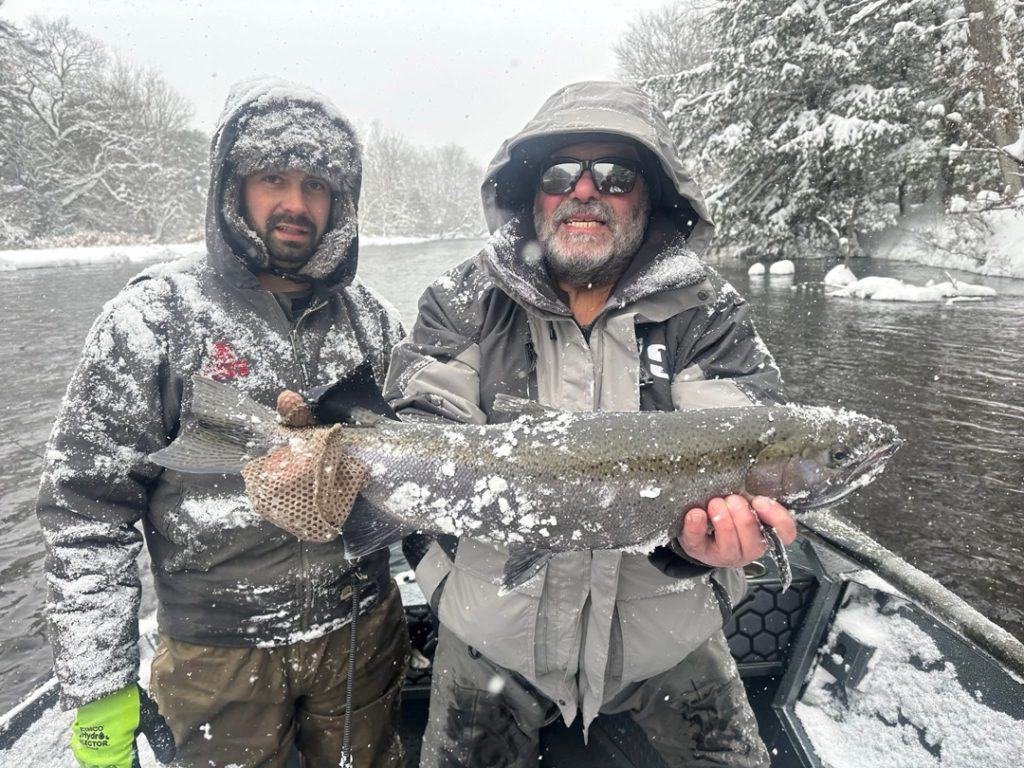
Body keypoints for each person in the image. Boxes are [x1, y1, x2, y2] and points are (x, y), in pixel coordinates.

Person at [385, 80, 797, 767]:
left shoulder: (709, 313)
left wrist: (702, 549)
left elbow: (739, 444)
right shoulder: (461, 301)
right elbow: (424, 424)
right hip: (490, 634)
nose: (583, 191)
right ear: (531, 194)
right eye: (558, 175)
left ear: (650, 194)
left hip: (668, 633)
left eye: (613, 174)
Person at [36, 77, 409, 768]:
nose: (296, 203)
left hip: (363, 635)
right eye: (273, 179)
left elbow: (424, 479)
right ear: (233, 187)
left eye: (317, 185)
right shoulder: (152, 319)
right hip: (215, 658)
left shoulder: (375, 324)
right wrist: (99, 685)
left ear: (341, 201)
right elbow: (86, 511)